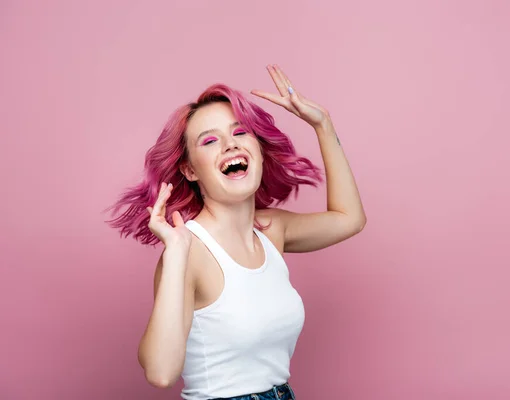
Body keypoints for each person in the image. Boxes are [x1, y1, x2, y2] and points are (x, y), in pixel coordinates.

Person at [107, 64, 366, 400]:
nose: (230, 145)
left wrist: (323, 124)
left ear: (258, 150)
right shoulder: (189, 250)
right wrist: (175, 255)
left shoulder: (271, 230)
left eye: (240, 133)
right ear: (190, 169)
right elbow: (160, 372)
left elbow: (349, 219)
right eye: (211, 140)